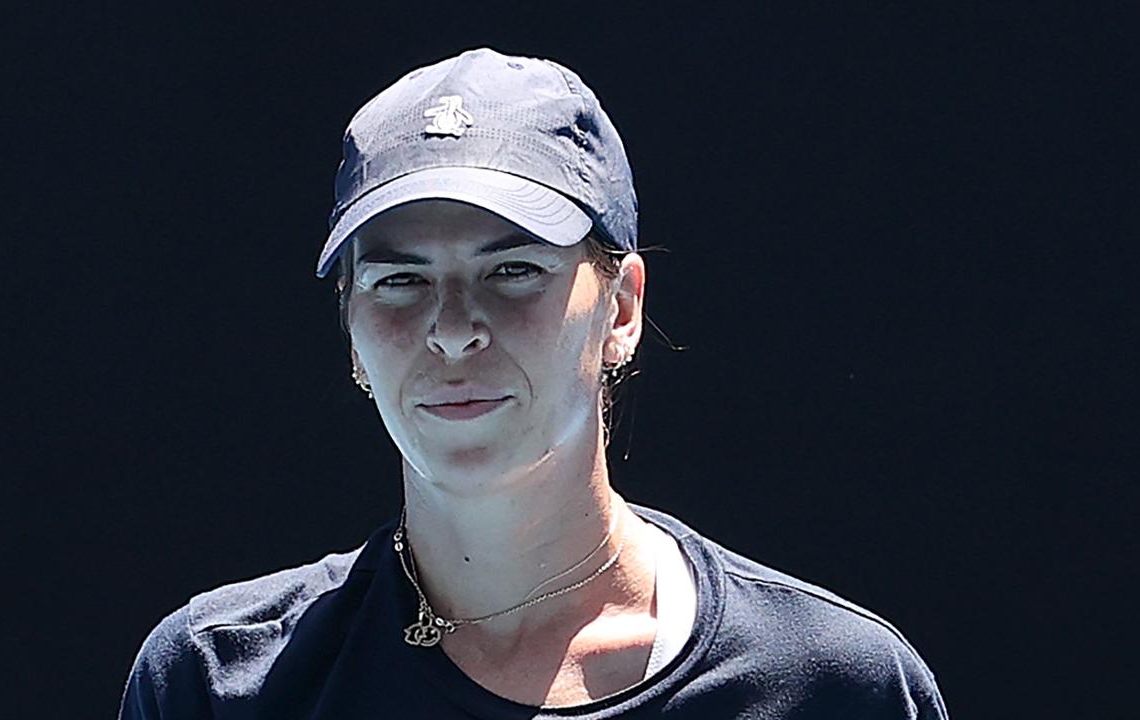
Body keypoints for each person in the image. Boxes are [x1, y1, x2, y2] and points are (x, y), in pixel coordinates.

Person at [118, 47, 948, 718]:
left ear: (620, 308)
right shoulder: (216, 681)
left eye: (512, 269)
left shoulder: (836, 687)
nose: (451, 328)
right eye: (399, 282)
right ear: (351, 331)